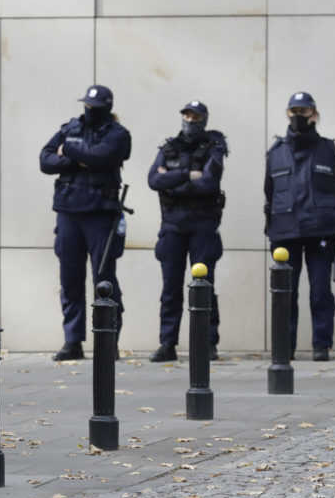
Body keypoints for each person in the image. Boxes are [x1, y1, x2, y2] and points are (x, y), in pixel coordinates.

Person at [39, 85, 131, 361]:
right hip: (69, 213)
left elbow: (103, 156)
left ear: (106, 106)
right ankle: (73, 341)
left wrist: (68, 151)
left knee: (104, 279)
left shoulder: (118, 134)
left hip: (101, 215)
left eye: (95, 106)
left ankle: (108, 340)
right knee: (70, 280)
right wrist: (79, 158)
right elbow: (45, 160)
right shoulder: (70, 127)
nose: (89, 110)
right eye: (86, 105)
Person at [264, 92, 335, 361]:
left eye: (304, 111)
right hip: (285, 230)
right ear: (287, 114)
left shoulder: (327, 149)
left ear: (314, 114)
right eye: (294, 111)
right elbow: (269, 191)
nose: (299, 116)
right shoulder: (276, 152)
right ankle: (284, 348)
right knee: (285, 293)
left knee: (320, 291)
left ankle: (321, 345)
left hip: (320, 229)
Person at [147, 101, 227, 363]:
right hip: (172, 226)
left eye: (195, 116)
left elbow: (208, 182)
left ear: (204, 119)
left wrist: (172, 179)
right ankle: (167, 343)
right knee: (170, 288)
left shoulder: (213, 147)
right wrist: (186, 174)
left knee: (203, 285)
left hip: (202, 225)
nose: (190, 120)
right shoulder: (169, 146)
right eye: (186, 115)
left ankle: (208, 343)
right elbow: (153, 180)